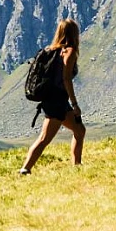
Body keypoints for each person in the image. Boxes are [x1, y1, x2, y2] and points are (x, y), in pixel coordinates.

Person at [20, 18, 85, 174]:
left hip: (54, 100)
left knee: (79, 130)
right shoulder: (69, 52)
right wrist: (75, 104)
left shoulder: (51, 50)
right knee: (44, 138)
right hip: (57, 102)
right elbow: (66, 78)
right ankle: (25, 169)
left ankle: (77, 167)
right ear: (73, 33)